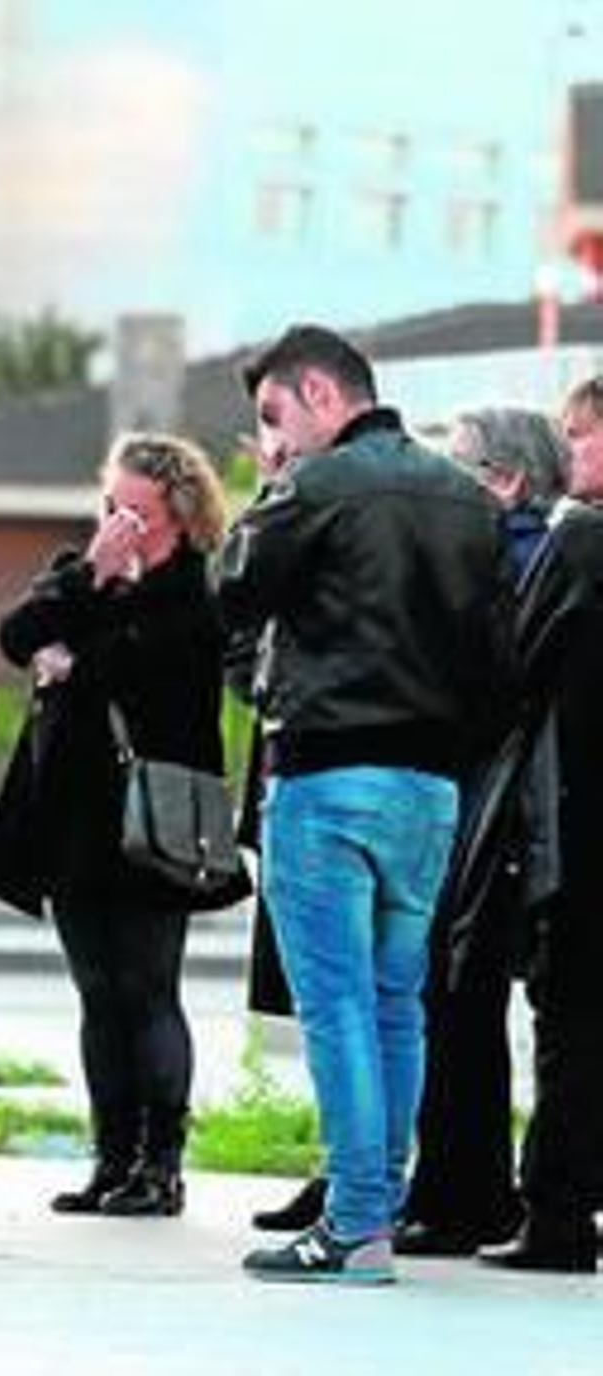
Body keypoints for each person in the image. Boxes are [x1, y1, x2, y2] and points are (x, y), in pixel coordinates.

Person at [221, 324, 509, 1285]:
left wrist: (269, 488)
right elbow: (497, 659)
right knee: (397, 1007)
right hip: (430, 787)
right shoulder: (469, 499)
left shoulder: (316, 486)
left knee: (337, 1005)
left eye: (273, 417)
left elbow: (232, 589)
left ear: (318, 391)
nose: (272, 439)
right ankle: (372, 1213)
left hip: (328, 773)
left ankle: (353, 1226)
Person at [0, 432, 234, 1220]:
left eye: (137, 512)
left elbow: (145, 673)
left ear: (181, 519)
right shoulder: (79, 573)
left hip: (153, 814)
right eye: (110, 506)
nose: (121, 523)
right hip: (73, 817)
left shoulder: (196, 591)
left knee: (148, 987)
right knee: (97, 992)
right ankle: (110, 1156)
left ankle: (162, 1164)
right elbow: (16, 636)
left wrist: (77, 659)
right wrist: (93, 573)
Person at [395, 407, 566, 1258]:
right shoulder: (527, 551)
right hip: (500, 808)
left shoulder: (519, 558)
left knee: (459, 1005)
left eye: (457, 466)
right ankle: (467, 1192)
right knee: (459, 1007)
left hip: (493, 810)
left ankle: (465, 1194)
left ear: (505, 479)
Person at [475, 377, 603, 1272]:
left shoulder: (582, 538)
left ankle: (556, 1214)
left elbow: (516, 662)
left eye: (580, 436)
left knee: (570, 1023)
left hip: (579, 826)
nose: (569, 455)